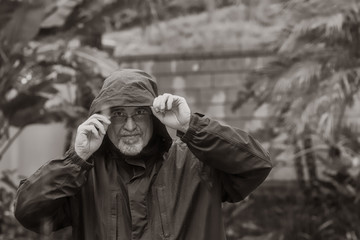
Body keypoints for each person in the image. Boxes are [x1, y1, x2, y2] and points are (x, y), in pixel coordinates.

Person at [14, 69, 272, 240]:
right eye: (118, 114)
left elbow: (256, 165)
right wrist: (76, 159)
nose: (129, 126)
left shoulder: (196, 162)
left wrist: (190, 125)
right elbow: (29, 213)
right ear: (102, 120)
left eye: (139, 112)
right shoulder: (84, 173)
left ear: (155, 117)